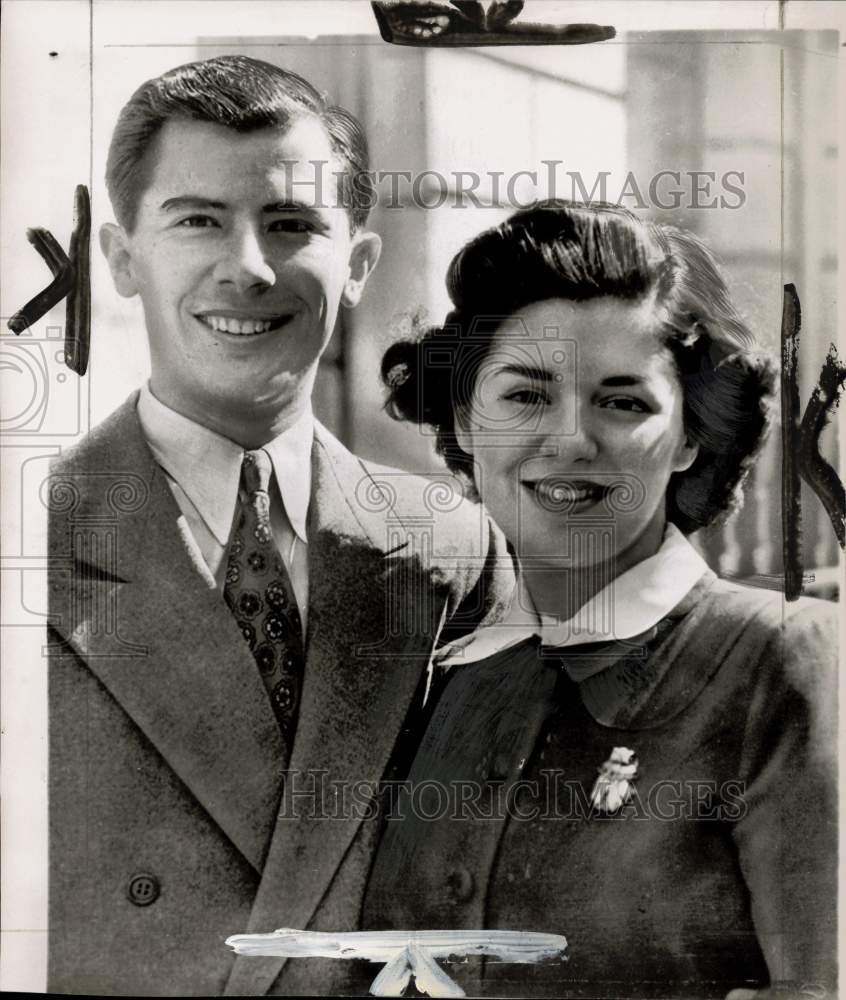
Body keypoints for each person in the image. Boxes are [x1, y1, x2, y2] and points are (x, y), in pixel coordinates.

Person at [44, 55, 513, 996]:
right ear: (123, 256)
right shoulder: (32, 533)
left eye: (293, 224)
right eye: (198, 220)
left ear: (359, 264)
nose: (249, 268)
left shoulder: (450, 546)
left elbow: (489, 873)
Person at [364, 200, 838, 999]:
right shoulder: (451, 675)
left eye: (623, 402)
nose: (572, 441)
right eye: (524, 396)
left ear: (690, 435)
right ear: (465, 420)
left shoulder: (785, 660)